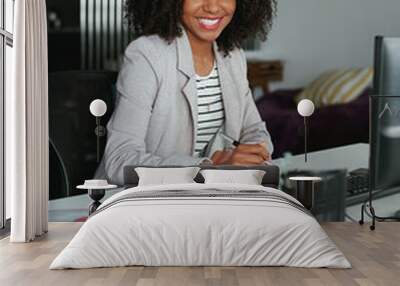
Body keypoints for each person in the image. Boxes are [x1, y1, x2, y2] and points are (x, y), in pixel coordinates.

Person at [98, 0, 277, 185]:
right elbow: (119, 161)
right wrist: (208, 167)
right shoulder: (147, 55)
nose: (213, 7)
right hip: (137, 201)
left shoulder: (232, 56)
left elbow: (254, 130)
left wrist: (255, 154)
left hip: (204, 198)